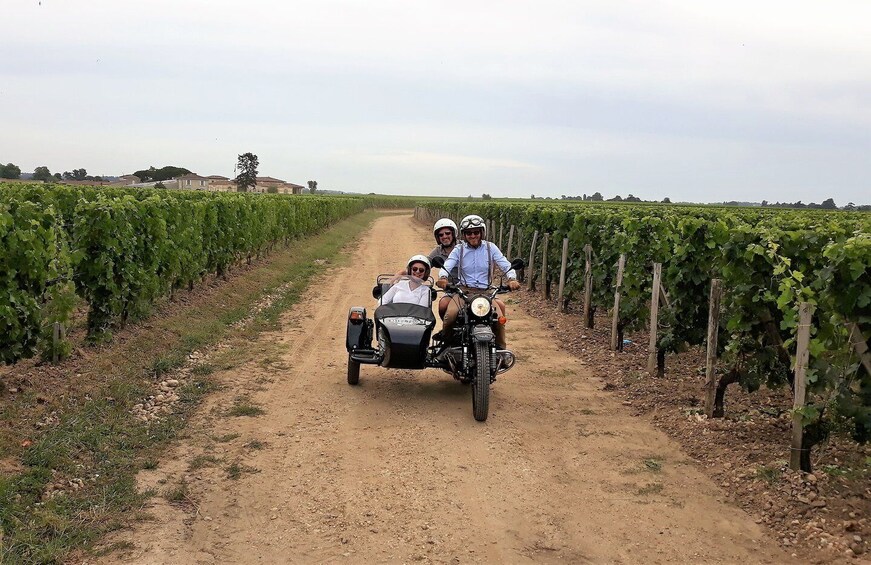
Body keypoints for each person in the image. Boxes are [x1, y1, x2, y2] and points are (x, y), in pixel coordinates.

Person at [436, 214, 520, 349]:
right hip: (464, 292)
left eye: (476, 232)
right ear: (464, 235)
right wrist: (443, 278)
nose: (473, 235)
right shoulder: (459, 249)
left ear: (482, 232)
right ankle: (447, 346)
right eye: (469, 233)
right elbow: (447, 265)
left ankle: (501, 352)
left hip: (486, 293)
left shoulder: (490, 247)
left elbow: (505, 264)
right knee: (450, 316)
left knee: (499, 320)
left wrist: (511, 278)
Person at [428, 218, 459, 318]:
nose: (445, 236)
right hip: (452, 291)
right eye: (441, 235)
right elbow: (425, 263)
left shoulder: (464, 248)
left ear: (453, 234)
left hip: (472, 287)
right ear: (437, 238)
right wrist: (403, 274)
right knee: (443, 305)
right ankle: (447, 332)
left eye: (447, 233)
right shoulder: (438, 251)